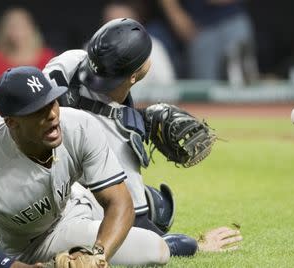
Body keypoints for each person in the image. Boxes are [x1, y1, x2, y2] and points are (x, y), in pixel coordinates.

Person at [42, 18, 242, 255]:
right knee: (158, 209)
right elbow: (136, 226)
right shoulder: (117, 147)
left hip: (20, 171)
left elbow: (92, 107)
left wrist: (136, 118)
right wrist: (195, 245)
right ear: (135, 76)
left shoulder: (68, 62)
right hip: (54, 211)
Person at [0, 66, 171, 267]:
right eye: (38, 109)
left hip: (75, 201)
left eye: (53, 101)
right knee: (154, 249)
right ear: (11, 122)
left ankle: (151, 208)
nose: (52, 114)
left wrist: (98, 255)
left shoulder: (78, 125)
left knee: (151, 242)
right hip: (31, 245)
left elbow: (119, 202)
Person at [0, 7, 56, 79]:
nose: (18, 32)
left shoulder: (47, 56)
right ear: (3, 31)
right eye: (12, 27)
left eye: (22, 26)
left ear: (32, 28)